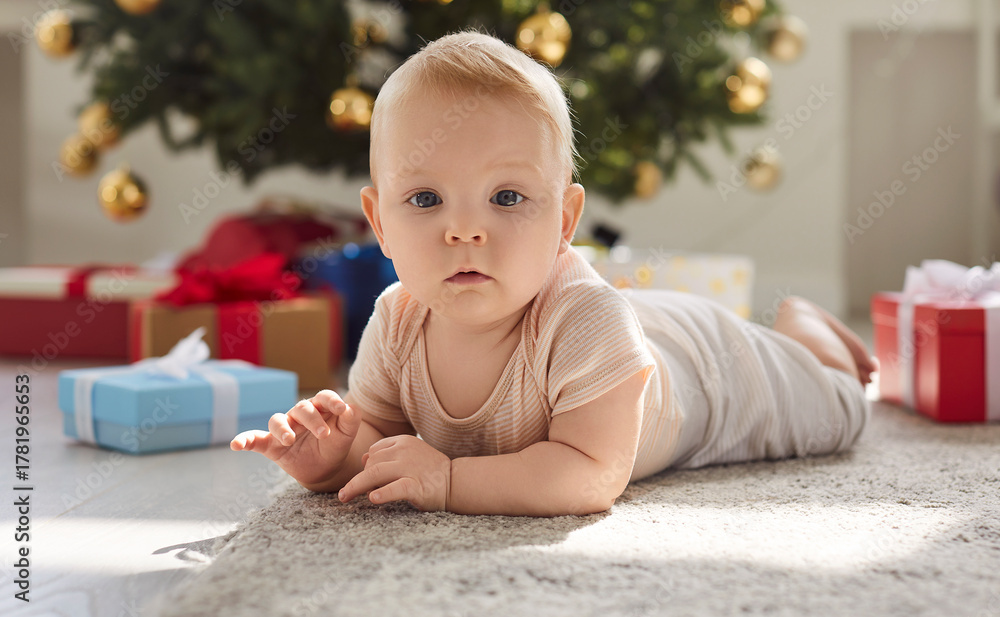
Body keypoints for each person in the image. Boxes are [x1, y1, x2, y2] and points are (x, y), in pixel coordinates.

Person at [231, 29, 877, 517]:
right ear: (379, 222)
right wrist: (330, 458)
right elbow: (381, 437)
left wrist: (450, 482)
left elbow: (591, 474)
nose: (463, 230)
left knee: (839, 407)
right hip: (638, 336)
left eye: (506, 198)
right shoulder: (397, 319)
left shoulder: (588, 323)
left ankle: (807, 329)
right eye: (425, 199)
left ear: (565, 220)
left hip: (715, 366)